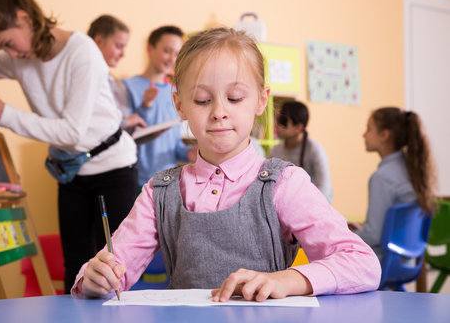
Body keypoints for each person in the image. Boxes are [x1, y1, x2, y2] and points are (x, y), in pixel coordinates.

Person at [72, 27, 380, 301]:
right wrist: (95, 277)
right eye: (203, 100)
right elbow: (111, 272)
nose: (219, 111)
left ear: (261, 100)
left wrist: (287, 280)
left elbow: (362, 263)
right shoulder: (158, 191)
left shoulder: (285, 183)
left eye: (234, 98)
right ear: (179, 105)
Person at [0, 0, 139, 292]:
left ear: (24, 18)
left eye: (6, 42)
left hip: (113, 169)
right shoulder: (21, 55)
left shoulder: (81, 52)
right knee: (74, 267)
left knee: (117, 266)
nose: (8, 53)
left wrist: (7, 114)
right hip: (71, 172)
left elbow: (72, 132)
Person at [349, 107, 436, 262]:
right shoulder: (412, 171)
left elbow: (373, 236)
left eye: (369, 129)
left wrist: (344, 236)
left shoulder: (382, 177)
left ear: (384, 135)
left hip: (381, 262)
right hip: (406, 261)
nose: (364, 134)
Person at [122, 25, 196, 187]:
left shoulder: (176, 93)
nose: (171, 59)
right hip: (134, 181)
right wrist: (145, 105)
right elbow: (122, 135)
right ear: (150, 48)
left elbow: (175, 146)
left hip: (167, 182)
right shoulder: (127, 86)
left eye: (176, 54)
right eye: (167, 51)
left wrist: (188, 153)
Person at [87, 14, 146, 133]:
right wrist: (126, 123)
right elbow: (90, 124)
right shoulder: (86, 78)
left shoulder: (114, 82)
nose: (123, 54)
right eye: (119, 46)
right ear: (98, 41)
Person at [269, 101, 334, 203]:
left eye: (282, 120)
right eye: (276, 120)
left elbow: (325, 190)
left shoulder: (315, 151)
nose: (277, 125)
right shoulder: (274, 151)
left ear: (298, 127)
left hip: (312, 207)